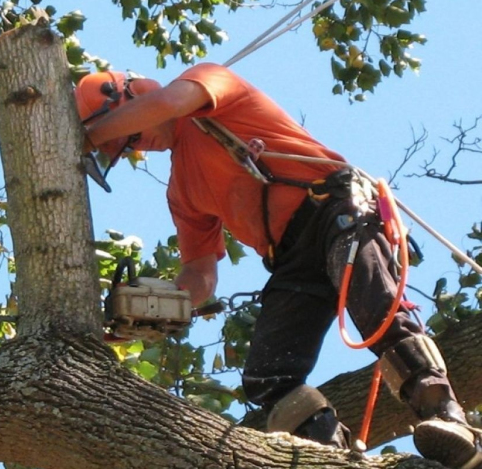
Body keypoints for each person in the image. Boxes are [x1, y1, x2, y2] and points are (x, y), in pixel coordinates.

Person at [75, 63, 482, 468]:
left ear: (130, 94)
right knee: (268, 376)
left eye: (127, 134)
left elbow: (170, 101)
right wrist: (166, 306)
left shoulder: (207, 84)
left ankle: (448, 418)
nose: (135, 145)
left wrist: (89, 137)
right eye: (127, 146)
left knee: (374, 307)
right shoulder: (182, 189)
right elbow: (201, 271)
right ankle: (334, 458)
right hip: (290, 260)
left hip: (333, 210)